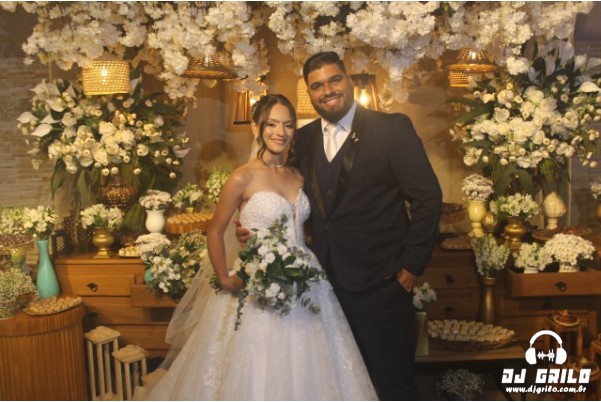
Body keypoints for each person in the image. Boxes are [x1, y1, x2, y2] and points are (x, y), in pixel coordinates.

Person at [138, 94, 377, 400]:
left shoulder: (298, 175)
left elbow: (309, 225)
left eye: (288, 125)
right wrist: (224, 277)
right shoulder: (242, 177)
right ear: (256, 127)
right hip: (256, 280)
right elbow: (215, 231)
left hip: (305, 280)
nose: (281, 132)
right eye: (272, 124)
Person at [237, 52, 443, 400]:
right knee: (339, 387)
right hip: (322, 287)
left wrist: (411, 266)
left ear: (349, 80)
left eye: (334, 80)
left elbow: (428, 198)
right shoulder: (302, 139)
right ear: (309, 93)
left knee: (393, 385)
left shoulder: (391, 129)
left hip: (381, 285)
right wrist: (250, 227)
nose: (327, 90)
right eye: (317, 86)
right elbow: (278, 191)